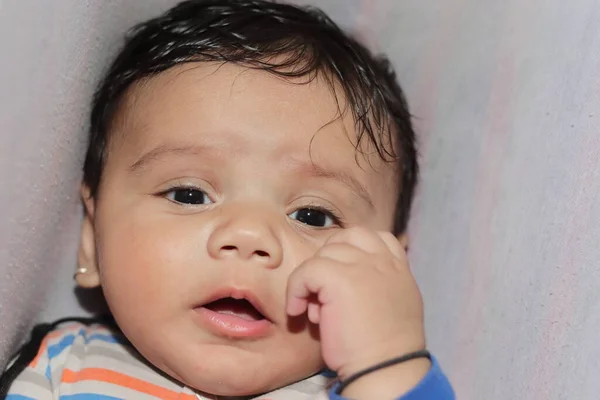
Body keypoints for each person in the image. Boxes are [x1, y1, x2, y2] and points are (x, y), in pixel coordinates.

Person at [1, 0, 455, 398]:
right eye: (190, 194)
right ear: (90, 239)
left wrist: (388, 358)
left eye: (313, 215)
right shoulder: (59, 371)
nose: (249, 235)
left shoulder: (369, 390)